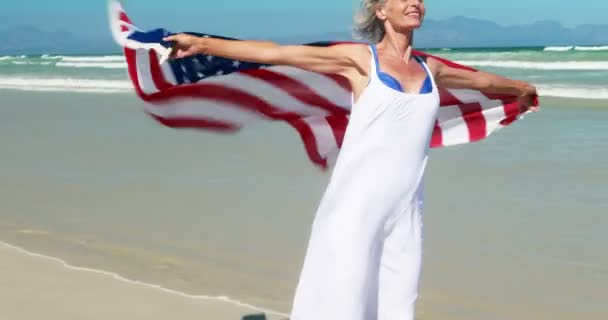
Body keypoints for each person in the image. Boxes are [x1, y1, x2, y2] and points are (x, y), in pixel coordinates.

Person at [163, 0, 539, 319]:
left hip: (406, 211)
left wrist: (520, 88)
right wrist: (201, 43)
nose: (416, 3)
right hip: (354, 208)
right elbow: (276, 53)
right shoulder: (361, 60)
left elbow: (481, 83)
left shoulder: (431, 69)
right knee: (342, 302)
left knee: (398, 305)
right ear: (380, 11)